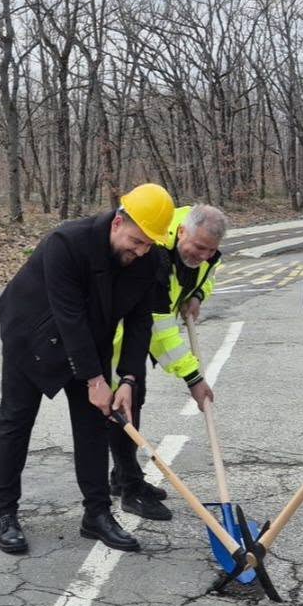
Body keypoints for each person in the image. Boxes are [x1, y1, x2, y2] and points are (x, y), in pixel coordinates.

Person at [0, 183, 175, 555]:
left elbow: (141, 322)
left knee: (93, 424)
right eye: (136, 241)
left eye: (147, 245)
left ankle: (97, 515)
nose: (140, 252)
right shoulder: (67, 242)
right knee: (16, 420)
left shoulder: (149, 259)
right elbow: (68, 315)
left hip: (89, 338)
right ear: (118, 222)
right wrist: (94, 379)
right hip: (31, 334)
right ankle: (6, 512)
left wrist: (127, 379)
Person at [109, 204, 228, 522]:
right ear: (182, 232)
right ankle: (131, 488)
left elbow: (207, 276)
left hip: (138, 338)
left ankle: (122, 478)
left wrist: (198, 295)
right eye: (198, 247)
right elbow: (160, 330)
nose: (203, 254)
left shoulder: (207, 254)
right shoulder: (156, 256)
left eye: (210, 250)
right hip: (118, 338)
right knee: (123, 411)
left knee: (134, 406)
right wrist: (194, 378)